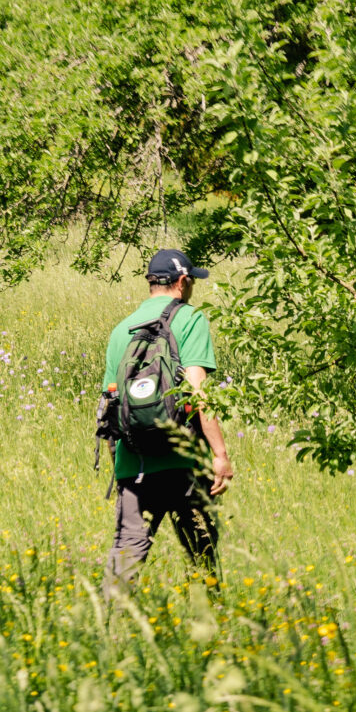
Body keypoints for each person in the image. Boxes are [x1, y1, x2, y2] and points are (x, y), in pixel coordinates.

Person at [102, 247, 233, 587]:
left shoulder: (121, 330)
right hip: (185, 463)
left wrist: (123, 464)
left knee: (127, 555)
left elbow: (109, 405)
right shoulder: (190, 319)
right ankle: (208, 618)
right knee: (201, 555)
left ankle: (110, 618)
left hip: (134, 464)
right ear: (183, 281)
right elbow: (198, 392)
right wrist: (220, 454)